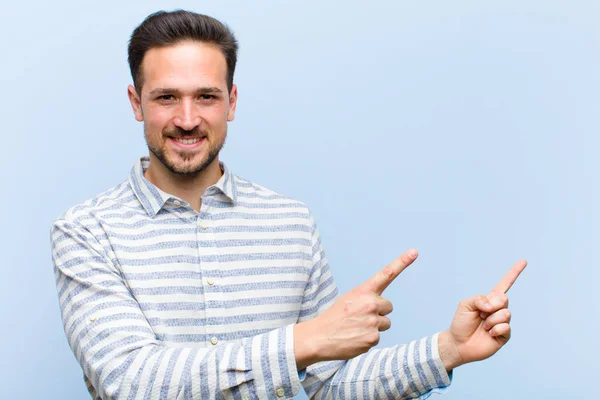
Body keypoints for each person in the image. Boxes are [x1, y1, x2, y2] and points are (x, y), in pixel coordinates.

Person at [50, 10, 526, 400]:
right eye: (167, 97)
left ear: (231, 102)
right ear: (136, 103)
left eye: (206, 97)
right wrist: (304, 341)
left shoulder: (290, 222)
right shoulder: (86, 231)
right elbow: (131, 381)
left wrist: (448, 349)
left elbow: (332, 384)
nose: (187, 118)